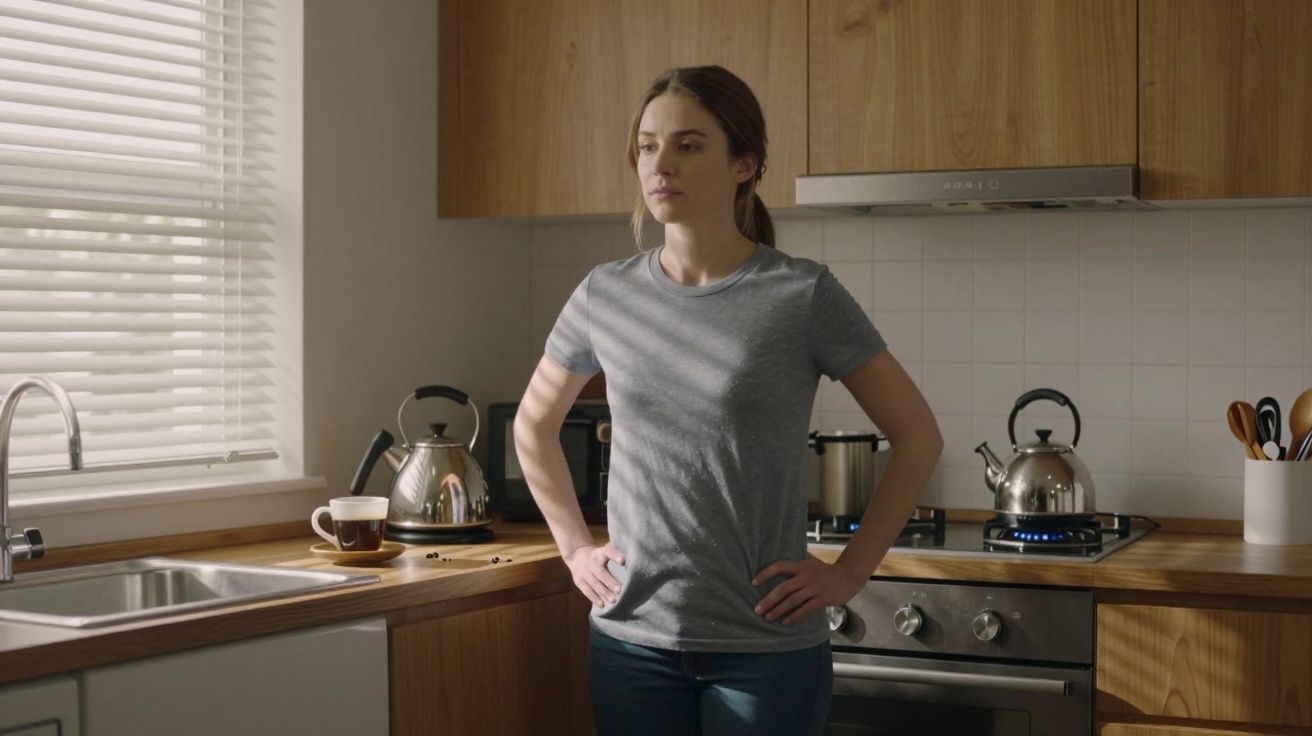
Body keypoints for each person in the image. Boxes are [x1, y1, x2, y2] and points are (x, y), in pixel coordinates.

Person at [512, 65, 942, 736]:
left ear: (745, 164)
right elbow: (533, 426)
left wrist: (850, 571)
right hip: (631, 641)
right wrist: (573, 550)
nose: (661, 163)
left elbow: (917, 435)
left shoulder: (799, 294)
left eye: (688, 145)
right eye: (648, 145)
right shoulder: (605, 294)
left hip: (764, 648)